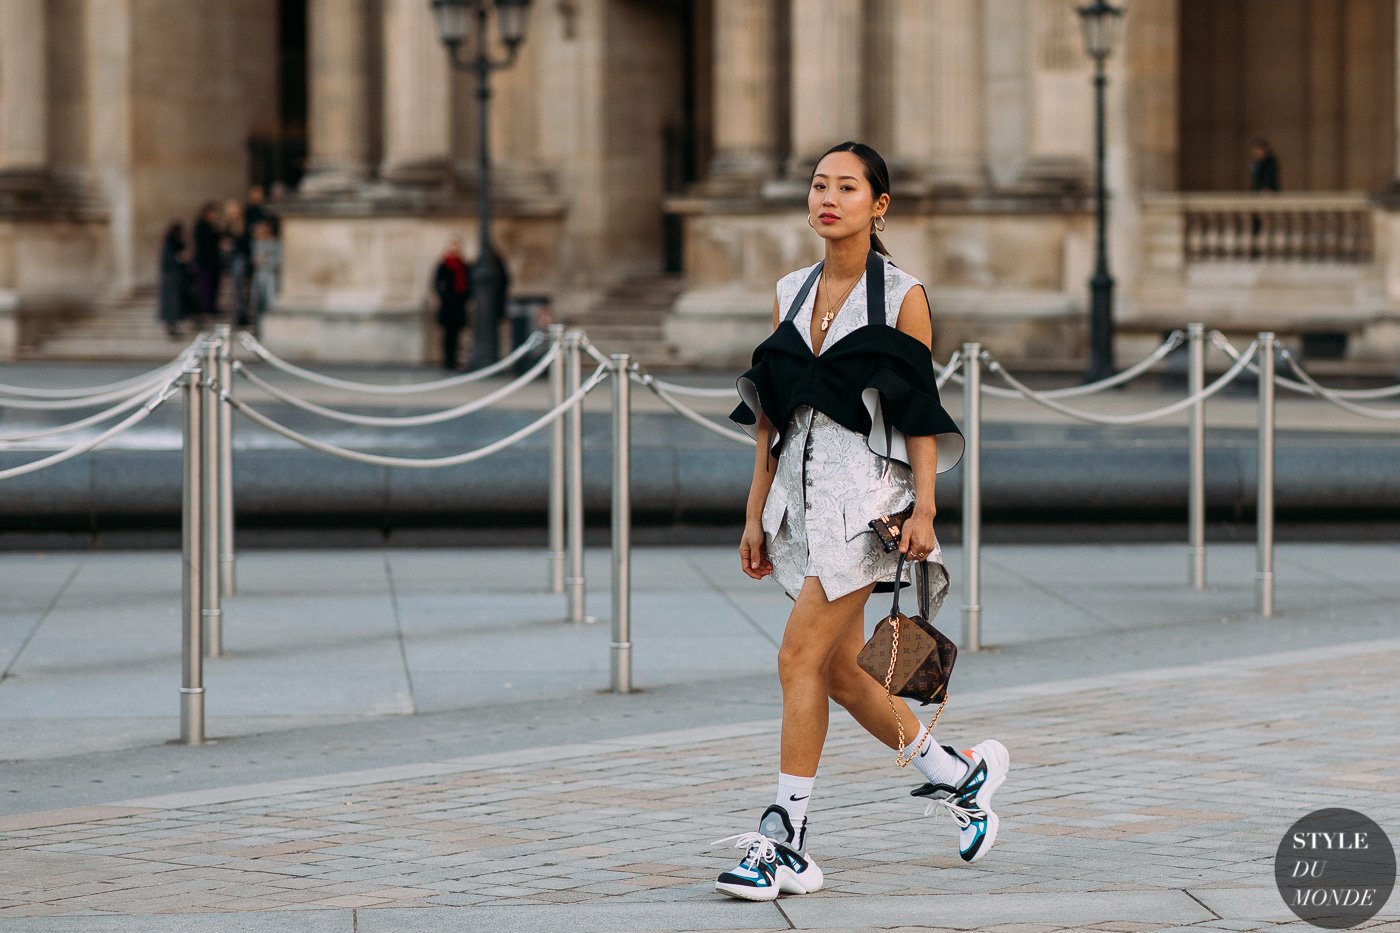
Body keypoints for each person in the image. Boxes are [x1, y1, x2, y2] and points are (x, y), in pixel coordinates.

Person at [717, 141, 1009, 902]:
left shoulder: (902, 294)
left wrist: (926, 506)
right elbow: (769, 415)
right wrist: (755, 511)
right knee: (842, 673)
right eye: (820, 184)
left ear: (878, 205)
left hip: (869, 507)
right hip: (801, 504)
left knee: (796, 658)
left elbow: (917, 407)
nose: (830, 197)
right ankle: (960, 774)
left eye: (848, 187)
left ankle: (787, 840)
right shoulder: (790, 288)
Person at [433, 238, 472, 370]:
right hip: (447, 306)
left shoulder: (463, 265)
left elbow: (468, 284)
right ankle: (447, 360)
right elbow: (436, 284)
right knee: (447, 335)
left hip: (459, 306)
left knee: (457, 335)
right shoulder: (443, 265)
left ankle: (455, 360)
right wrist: (445, 296)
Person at [157, 222, 192, 338]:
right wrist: (180, 258)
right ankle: (171, 328)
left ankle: (173, 327)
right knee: (172, 304)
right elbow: (170, 260)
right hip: (172, 279)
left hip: (175, 278)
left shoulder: (174, 243)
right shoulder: (170, 243)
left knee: (175, 304)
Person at [222, 199, 253, 326]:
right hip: (231, 260)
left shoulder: (245, 225)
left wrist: (233, 245)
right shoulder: (227, 226)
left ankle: (242, 314)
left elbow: (246, 245)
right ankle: (239, 314)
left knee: (239, 288)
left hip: (241, 259)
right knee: (235, 289)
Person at [191, 202, 223, 320]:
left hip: (212, 261)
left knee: (213, 285)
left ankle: (211, 307)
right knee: (205, 286)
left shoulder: (208, 226)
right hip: (205, 262)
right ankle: (205, 308)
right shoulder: (201, 226)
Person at [250, 221, 281, 328]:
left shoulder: (275, 243)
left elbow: (279, 260)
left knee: (270, 299)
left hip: (270, 274)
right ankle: (258, 324)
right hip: (259, 274)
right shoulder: (257, 243)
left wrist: (266, 259)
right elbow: (255, 258)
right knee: (258, 300)